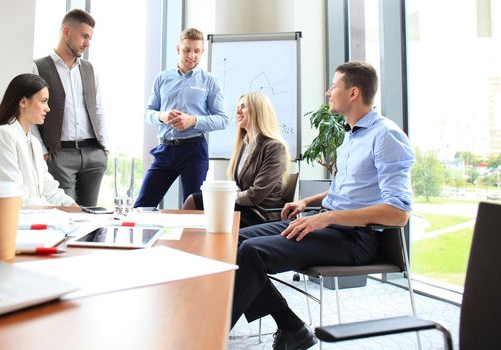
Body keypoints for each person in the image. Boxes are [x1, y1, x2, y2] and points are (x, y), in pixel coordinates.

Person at [230, 61, 414, 350]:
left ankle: (207, 336)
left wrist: (327, 219)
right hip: (328, 223)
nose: (329, 92)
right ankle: (293, 329)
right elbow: (345, 191)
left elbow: (399, 213)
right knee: (233, 241)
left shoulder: (386, 136)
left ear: (353, 92)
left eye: (334, 86)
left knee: (252, 252)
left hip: (355, 239)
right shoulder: (351, 135)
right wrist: (308, 202)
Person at [134, 27, 229, 208]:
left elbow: (222, 119)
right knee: (141, 207)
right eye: (187, 50)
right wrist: (162, 116)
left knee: (193, 209)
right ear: (178, 49)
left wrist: (193, 121)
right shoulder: (162, 78)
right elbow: (148, 112)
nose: (191, 55)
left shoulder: (210, 81)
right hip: (165, 150)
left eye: (196, 51)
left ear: (202, 52)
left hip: (194, 151)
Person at [32, 9, 108, 206]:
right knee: (65, 216)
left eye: (90, 38)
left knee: (91, 217)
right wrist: (41, 150)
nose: (88, 43)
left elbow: (98, 109)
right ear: (66, 31)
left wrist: (104, 147)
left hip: (93, 154)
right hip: (60, 156)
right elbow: (30, 114)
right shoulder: (37, 67)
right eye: (84, 36)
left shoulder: (90, 69)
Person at [0, 74, 77, 207]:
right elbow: (15, 198)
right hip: (11, 221)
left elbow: (50, 190)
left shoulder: (34, 142)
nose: (48, 108)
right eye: (43, 101)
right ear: (23, 102)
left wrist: (75, 208)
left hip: (34, 218)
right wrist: (53, 210)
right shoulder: (2, 135)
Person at [183, 92, 291, 228]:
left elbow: (255, 195)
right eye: (238, 107)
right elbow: (237, 186)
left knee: (196, 201)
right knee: (195, 200)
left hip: (259, 215)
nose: (238, 111)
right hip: (242, 207)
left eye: (243, 106)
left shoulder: (274, 147)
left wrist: (227, 195)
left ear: (258, 110)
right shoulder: (245, 143)